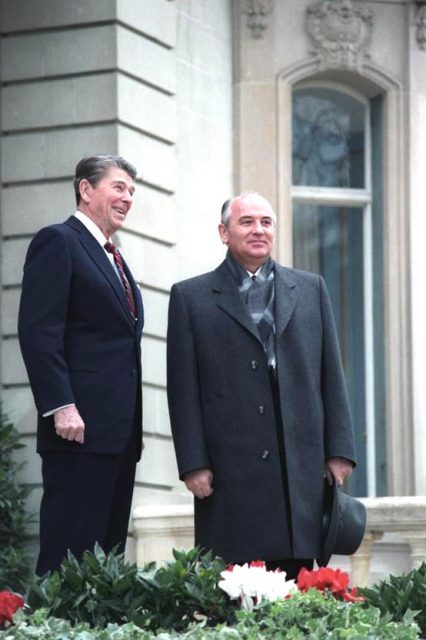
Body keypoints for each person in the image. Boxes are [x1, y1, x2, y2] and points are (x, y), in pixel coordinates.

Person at [166, 192, 356, 580]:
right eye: (247, 221)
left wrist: (340, 450)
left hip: (299, 474)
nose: (258, 230)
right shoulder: (190, 297)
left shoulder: (311, 289)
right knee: (236, 598)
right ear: (224, 232)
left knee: (296, 603)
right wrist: (193, 463)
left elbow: (330, 374)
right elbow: (182, 390)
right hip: (229, 475)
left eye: (266, 222)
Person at [18, 155, 144, 575]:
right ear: (85, 189)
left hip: (118, 437)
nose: (128, 197)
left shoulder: (114, 257)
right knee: (67, 559)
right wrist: (61, 405)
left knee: (106, 566)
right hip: (77, 431)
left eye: (131, 190)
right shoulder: (59, 241)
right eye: (118, 187)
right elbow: (39, 331)